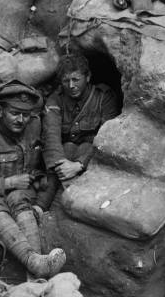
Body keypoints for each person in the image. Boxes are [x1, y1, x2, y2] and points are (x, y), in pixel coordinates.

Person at [0, 80, 66, 278]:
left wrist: (40, 204)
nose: (21, 119)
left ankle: (36, 269)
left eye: (25, 114)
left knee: (17, 197)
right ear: (0, 111)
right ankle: (34, 263)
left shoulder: (35, 125)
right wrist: (8, 183)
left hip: (24, 195)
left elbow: (51, 164)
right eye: (15, 113)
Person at [40, 54, 120, 209]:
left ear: (88, 77)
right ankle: (41, 207)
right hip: (63, 157)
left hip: (92, 157)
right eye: (65, 81)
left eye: (76, 79)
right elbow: (51, 135)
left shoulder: (103, 97)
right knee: (67, 147)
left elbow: (107, 139)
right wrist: (62, 166)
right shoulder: (56, 99)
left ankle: (46, 205)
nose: (71, 85)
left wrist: (79, 165)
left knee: (84, 147)